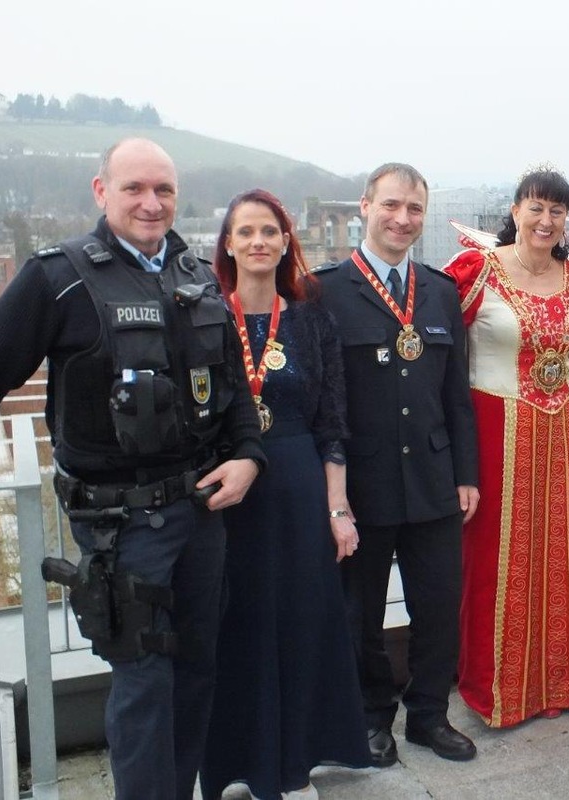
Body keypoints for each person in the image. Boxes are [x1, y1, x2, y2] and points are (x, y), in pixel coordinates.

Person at [0, 138, 264, 800]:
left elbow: (235, 394)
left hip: (201, 514)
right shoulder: (59, 278)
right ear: (100, 190)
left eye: (163, 190)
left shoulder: (194, 272)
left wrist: (250, 456)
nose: (151, 202)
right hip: (121, 529)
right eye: (134, 187)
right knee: (144, 686)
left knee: (196, 673)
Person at [200, 189, 373, 799]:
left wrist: (337, 509)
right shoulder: (203, 316)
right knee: (234, 625)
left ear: (285, 241)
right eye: (244, 231)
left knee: (302, 623)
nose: (257, 242)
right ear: (227, 243)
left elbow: (333, 424)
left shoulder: (310, 318)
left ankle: (294, 767)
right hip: (228, 495)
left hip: (299, 485)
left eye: (269, 231)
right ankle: (237, 767)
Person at [315, 163, 480, 763]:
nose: (402, 219)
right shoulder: (324, 291)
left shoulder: (440, 290)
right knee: (359, 613)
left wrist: (466, 474)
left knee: (437, 606)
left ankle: (429, 716)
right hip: (363, 484)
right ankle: (372, 715)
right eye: (391, 205)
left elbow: (454, 396)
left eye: (414, 209)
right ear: (365, 206)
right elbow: (320, 405)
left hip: (434, 483)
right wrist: (331, 495)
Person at [443, 169, 569, 727]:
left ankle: (565, 677)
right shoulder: (474, 271)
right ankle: (499, 686)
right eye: (536, 208)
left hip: (561, 431)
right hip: (494, 428)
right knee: (494, 556)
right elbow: (436, 352)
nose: (546, 221)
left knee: (565, 551)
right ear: (514, 211)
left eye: (557, 212)